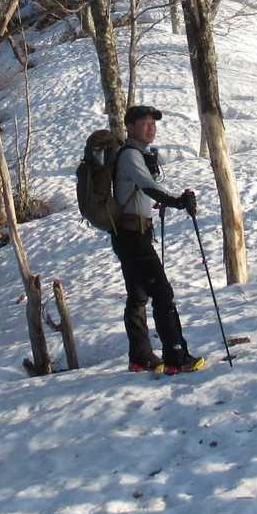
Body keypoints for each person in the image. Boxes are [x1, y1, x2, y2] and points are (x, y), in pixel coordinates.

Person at [110, 104, 204, 374]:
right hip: (133, 236)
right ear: (130, 127)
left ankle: (140, 356)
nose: (151, 127)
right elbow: (148, 186)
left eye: (153, 123)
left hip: (128, 234)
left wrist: (161, 202)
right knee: (162, 293)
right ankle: (176, 356)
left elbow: (140, 190)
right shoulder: (130, 155)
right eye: (144, 123)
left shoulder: (136, 154)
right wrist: (177, 201)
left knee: (138, 295)